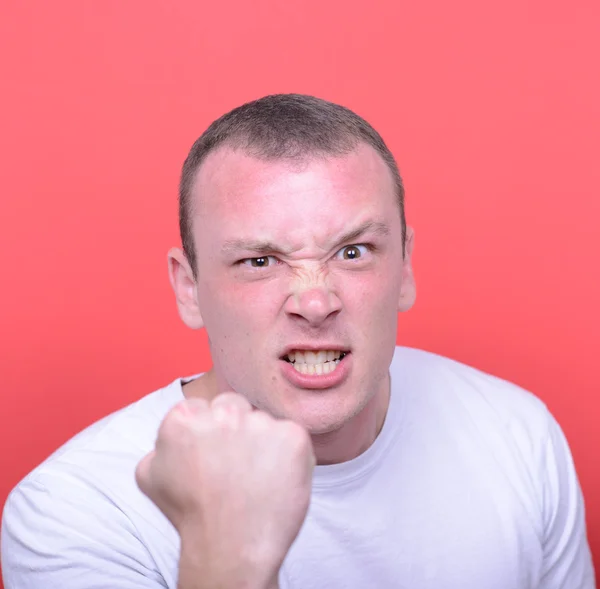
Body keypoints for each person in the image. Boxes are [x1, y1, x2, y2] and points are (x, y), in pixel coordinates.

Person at [1, 94, 595, 589]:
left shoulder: (519, 435)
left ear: (406, 267)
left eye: (353, 252)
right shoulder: (74, 510)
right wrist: (224, 554)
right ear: (189, 288)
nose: (315, 302)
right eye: (260, 260)